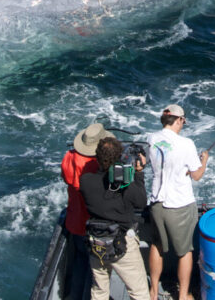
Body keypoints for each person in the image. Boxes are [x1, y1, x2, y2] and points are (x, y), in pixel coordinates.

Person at [145, 104, 209, 300]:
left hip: (156, 203)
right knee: (185, 252)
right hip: (179, 206)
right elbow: (197, 175)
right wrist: (204, 160)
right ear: (179, 120)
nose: (183, 125)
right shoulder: (187, 144)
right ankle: (183, 295)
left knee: (156, 246)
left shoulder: (151, 139)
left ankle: (153, 292)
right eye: (183, 121)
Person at [80, 136, 150, 300]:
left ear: (96, 157)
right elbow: (141, 202)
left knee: (99, 291)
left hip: (96, 242)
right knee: (139, 292)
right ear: (120, 157)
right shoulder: (127, 186)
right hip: (121, 244)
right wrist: (138, 173)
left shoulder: (85, 181)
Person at [59, 122, 109, 300]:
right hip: (94, 224)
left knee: (81, 260)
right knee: (96, 268)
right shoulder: (97, 164)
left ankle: (74, 296)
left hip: (75, 220)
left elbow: (67, 177)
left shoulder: (69, 157)